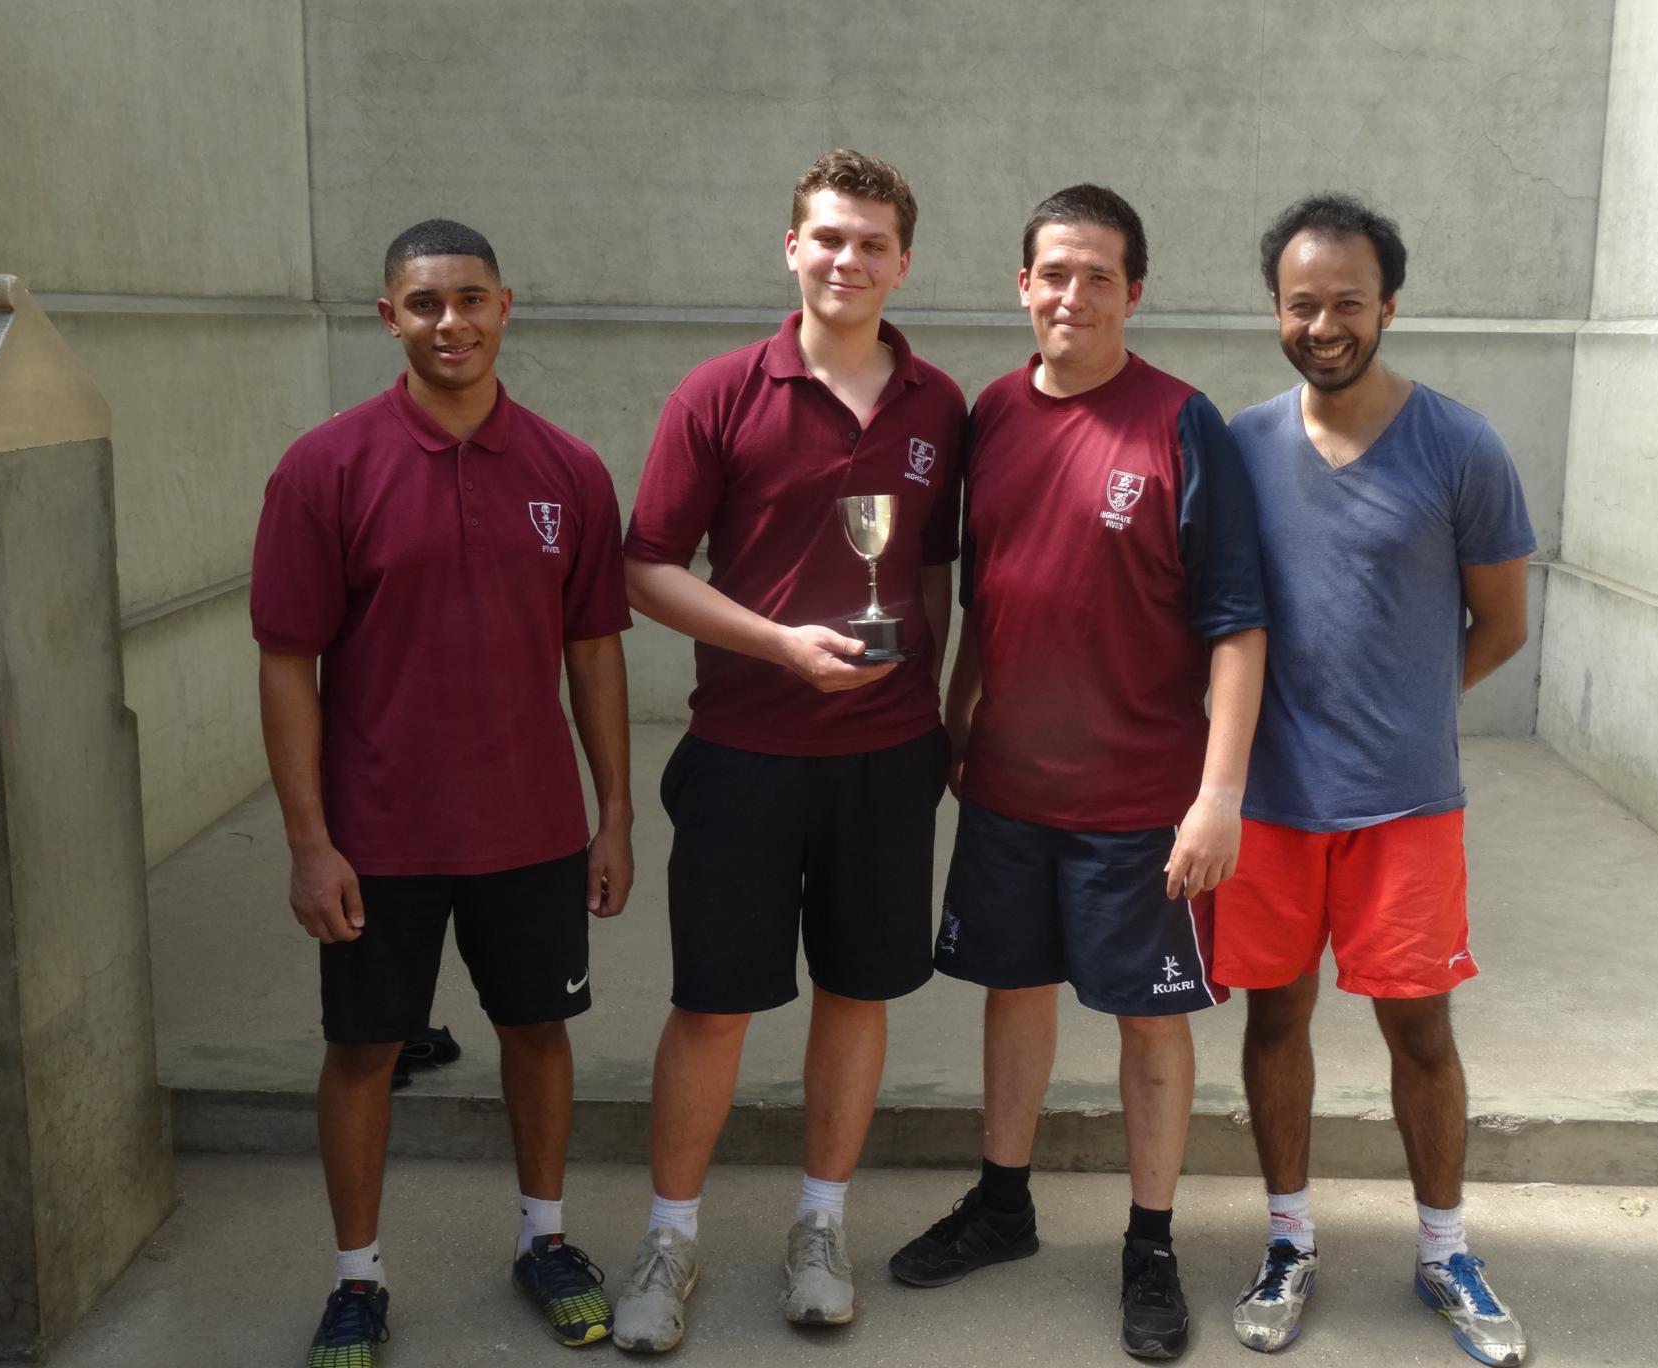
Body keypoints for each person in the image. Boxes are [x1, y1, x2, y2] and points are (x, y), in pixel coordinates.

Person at [888, 185, 1269, 1361]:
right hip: (1008, 788)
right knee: (1014, 994)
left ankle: (1149, 1241)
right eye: (1054, 271)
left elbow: (1239, 626)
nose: (1073, 293)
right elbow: (988, 591)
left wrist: (1217, 794)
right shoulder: (991, 416)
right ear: (1022, 286)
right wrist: (957, 718)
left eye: (1098, 274)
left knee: (1150, 1028)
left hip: (1143, 808)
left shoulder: (1181, 423)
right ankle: (1003, 1203)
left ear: (1134, 292)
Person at [251, 219, 634, 1364]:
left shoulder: (569, 471)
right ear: (390, 318)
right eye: (425, 304)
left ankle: (546, 1239)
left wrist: (611, 813)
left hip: (531, 827)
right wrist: (309, 840)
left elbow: (596, 651)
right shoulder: (324, 468)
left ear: (506, 306)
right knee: (365, 1049)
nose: (451, 322)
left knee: (538, 1030)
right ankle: (358, 1280)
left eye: (470, 299)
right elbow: (287, 663)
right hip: (379, 834)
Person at [613, 149, 965, 1351]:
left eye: (872, 243)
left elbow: (927, 569)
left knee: (857, 991)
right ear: (792, 248)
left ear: (903, 262)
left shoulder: (941, 405)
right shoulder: (717, 393)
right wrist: (776, 644)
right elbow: (646, 568)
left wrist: (926, 698)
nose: (847, 260)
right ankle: (670, 1237)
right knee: (715, 1003)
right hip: (745, 751)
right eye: (827, 237)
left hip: (887, 756)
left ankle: (821, 1223)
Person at [1216, 193, 1534, 1366]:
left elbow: (1500, 624)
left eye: (1349, 301)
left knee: (1420, 1033)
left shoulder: (1461, 444)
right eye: (1304, 304)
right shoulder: (1239, 446)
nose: (1326, 322)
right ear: (1278, 314)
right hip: (1271, 805)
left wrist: (1408, 706)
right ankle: (1290, 1239)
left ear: (1388, 306)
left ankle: (1446, 1250)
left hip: (1407, 806)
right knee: (1277, 1013)